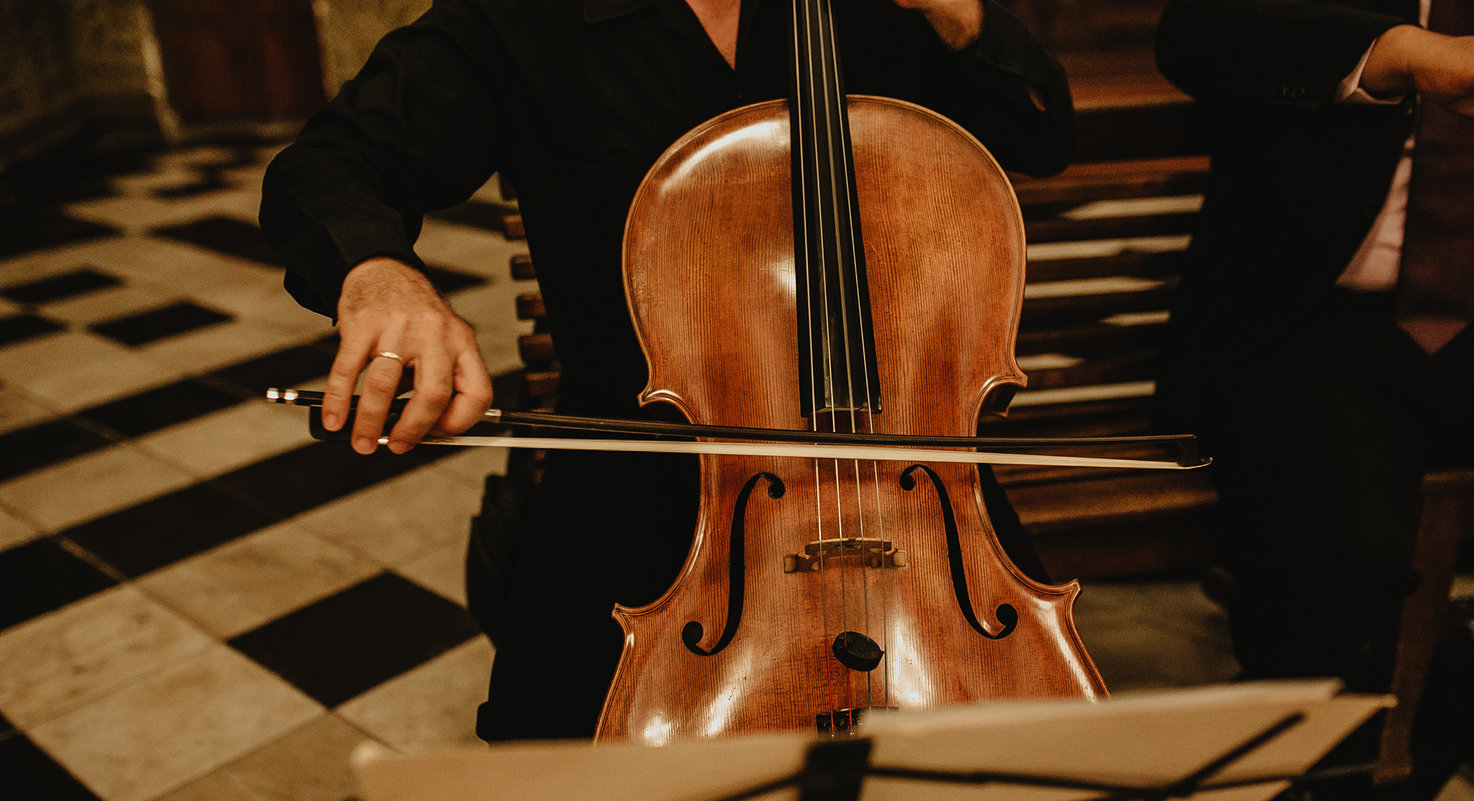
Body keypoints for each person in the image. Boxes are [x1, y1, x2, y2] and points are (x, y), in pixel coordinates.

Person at [259, 0, 1076, 746]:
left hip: (903, 463)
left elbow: (1044, 137)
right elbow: (332, 160)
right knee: (545, 767)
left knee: (1037, 763)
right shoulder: (516, 18)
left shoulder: (881, 13)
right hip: (642, 457)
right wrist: (378, 272)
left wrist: (962, 20)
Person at [1154, 0, 1474, 801]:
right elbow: (1199, 31)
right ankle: (1285, 749)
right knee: (1332, 545)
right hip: (1319, 309)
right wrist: (1396, 55)